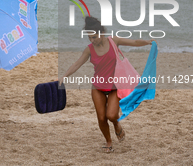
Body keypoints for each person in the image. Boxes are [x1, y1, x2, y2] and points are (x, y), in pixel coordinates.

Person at [59, 16, 155, 153]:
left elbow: (133, 41)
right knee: (101, 117)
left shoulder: (113, 41)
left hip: (114, 87)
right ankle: (108, 141)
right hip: (98, 87)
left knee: (111, 115)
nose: (92, 40)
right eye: (89, 37)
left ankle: (116, 123)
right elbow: (77, 64)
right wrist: (64, 76)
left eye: (94, 37)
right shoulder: (89, 49)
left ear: (101, 32)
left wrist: (147, 42)